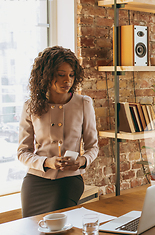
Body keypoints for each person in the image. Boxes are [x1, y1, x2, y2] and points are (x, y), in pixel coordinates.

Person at [17, 46, 99, 218]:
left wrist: (82, 160)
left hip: (68, 182)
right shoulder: (30, 106)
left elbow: (93, 147)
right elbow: (22, 153)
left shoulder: (84, 104)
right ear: (46, 76)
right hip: (35, 182)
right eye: (61, 75)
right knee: (32, 234)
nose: (67, 80)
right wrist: (47, 162)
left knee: (58, 234)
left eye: (71, 75)